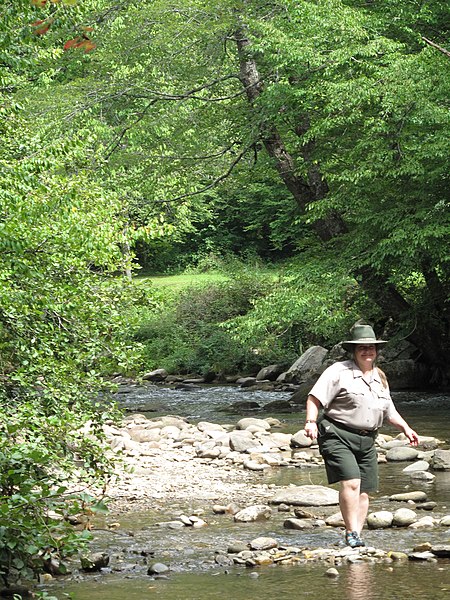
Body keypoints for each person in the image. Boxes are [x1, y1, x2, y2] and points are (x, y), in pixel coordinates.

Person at [304, 323, 419, 548]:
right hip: (337, 434)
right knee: (352, 482)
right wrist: (310, 422)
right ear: (353, 351)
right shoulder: (338, 371)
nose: (367, 351)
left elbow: (389, 411)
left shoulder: (380, 377)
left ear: (376, 351)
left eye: (371, 348)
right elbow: (314, 398)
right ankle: (350, 533)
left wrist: (406, 428)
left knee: (365, 490)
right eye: (362, 348)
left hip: (368, 439)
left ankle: (357, 532)